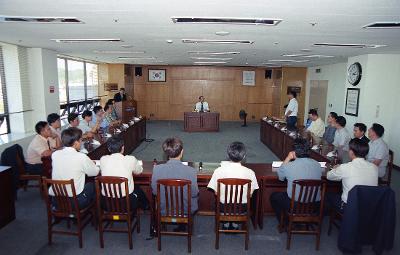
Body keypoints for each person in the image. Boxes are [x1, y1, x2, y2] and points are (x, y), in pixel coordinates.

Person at [207, 142, 259, 230]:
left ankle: (226, 222)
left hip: (223, 207)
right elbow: (250, 194)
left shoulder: (218, 171)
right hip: (242, 208)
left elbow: (216, 192)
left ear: (228, 155)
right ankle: (235, 223)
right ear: (244, 156)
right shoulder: (250, 172)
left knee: (219, 199)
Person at [151, 138, 199, 230]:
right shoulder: (191, 171)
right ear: (182, 152)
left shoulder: (157, 169)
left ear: (166, 153)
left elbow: (155, 192)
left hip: (164, 209)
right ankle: (183, 224)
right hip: (186, 209)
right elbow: (194, 193)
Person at [270, 138, 322, 223]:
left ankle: (284, 223)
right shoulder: (317, 165)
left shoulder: (288, 166)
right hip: (314, 204)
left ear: (294, 152)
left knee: (274, 197)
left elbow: (280, 177)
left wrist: (288, 158)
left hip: (295, 204)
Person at [50, 127, 99, 209]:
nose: (81, 142)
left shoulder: (55, 154)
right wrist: (95, 164)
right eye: (81, 140)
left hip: (56, 200)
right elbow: (94, 173)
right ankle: (95, 215)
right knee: (93, 185)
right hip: (75, 202)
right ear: (76, 143)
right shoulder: (81, 157)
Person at [326, 138, 378, 213]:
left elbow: (329, 176)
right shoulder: (374, 167)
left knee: (327, 194)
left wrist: (335, 168)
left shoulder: (345, 167)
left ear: (351, 152)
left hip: (349, 206)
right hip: (368, 206)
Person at [100, 136, 148, 210]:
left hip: (107, 203)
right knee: (137, 188)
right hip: (126, 204)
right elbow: (139, 171)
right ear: (123, 148)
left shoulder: (103, 159)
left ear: (109, 149)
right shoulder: (130, 159)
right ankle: (147, 207)